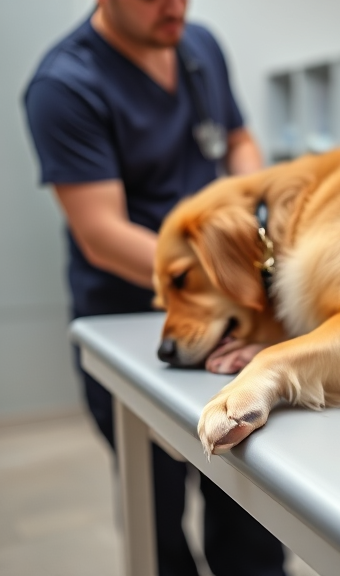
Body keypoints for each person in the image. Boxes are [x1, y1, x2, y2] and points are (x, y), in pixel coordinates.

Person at [23, 0, 287, 574]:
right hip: (130, 316)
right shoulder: (63, 86)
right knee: (156, 506)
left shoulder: (200, 46)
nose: (175, 7)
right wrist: (228, 276)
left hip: (221, 313)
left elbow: (239, 139)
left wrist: (248, 218)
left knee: (248, 497)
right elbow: (101, 234)